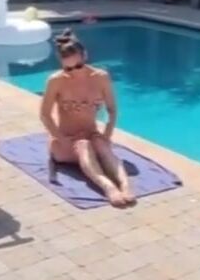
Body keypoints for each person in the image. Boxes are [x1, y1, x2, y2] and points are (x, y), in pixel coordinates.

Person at [40, 29, 135, 207]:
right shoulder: (56, 81)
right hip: (65, 141)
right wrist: (61, 139)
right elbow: (45, 115)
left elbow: (112, 109)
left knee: (100, 145)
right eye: (68, 68)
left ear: (85, 56)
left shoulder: (101, 77)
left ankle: (125, 185)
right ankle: (109, 188)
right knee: (84, 145)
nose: (74, 72)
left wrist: (107, 134)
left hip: (91, 134)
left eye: (78, 66)